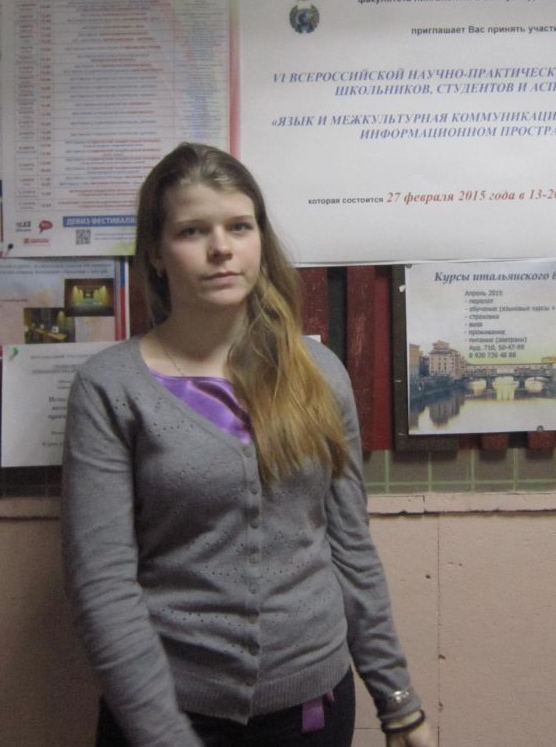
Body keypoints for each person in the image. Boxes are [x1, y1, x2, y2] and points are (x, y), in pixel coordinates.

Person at [61, 142, 436, 747]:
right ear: (155, 251)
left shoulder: (316, 372)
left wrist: (397, 700)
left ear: (261, 238)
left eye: (239, 226)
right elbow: (102, 586)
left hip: (311, 710)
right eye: (193, 231)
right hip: (169, 712)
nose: (221, 248)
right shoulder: (111, 387)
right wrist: (163, 735)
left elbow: (351, 550)